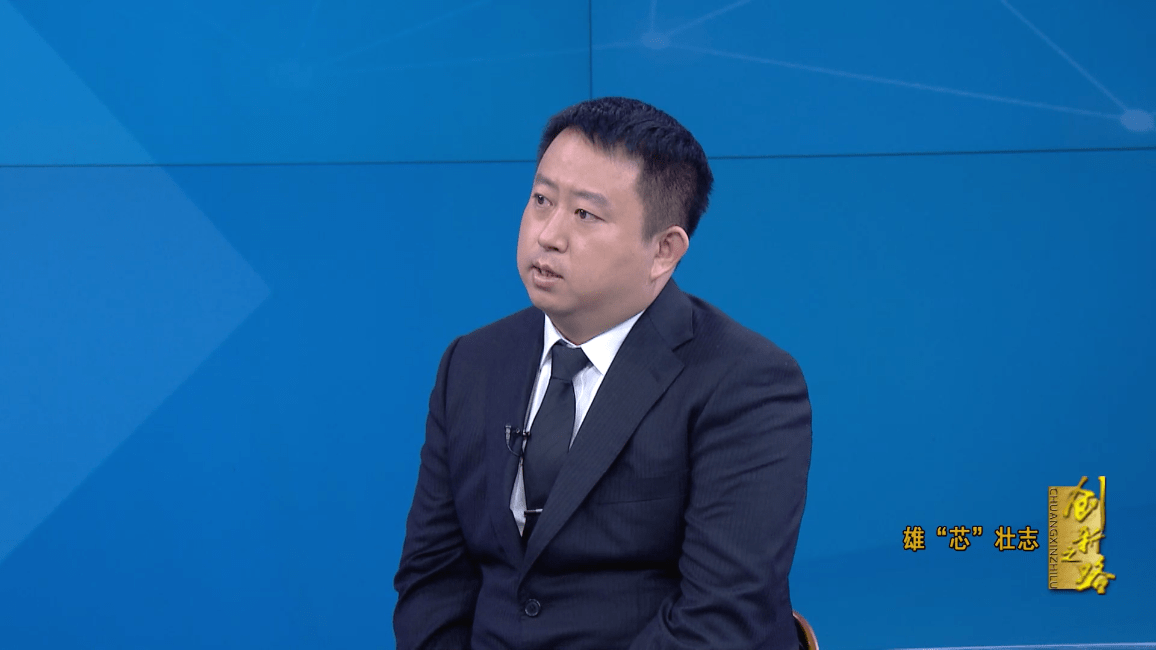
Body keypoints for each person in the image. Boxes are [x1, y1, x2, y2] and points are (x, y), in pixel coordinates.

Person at [394, 97, 812, 649]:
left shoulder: (745, 383)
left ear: (663, 251)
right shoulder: (472, 363)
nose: (548, 234)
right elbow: (432, 581)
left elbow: (721, 618)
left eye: (585, 215)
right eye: (542, 200)